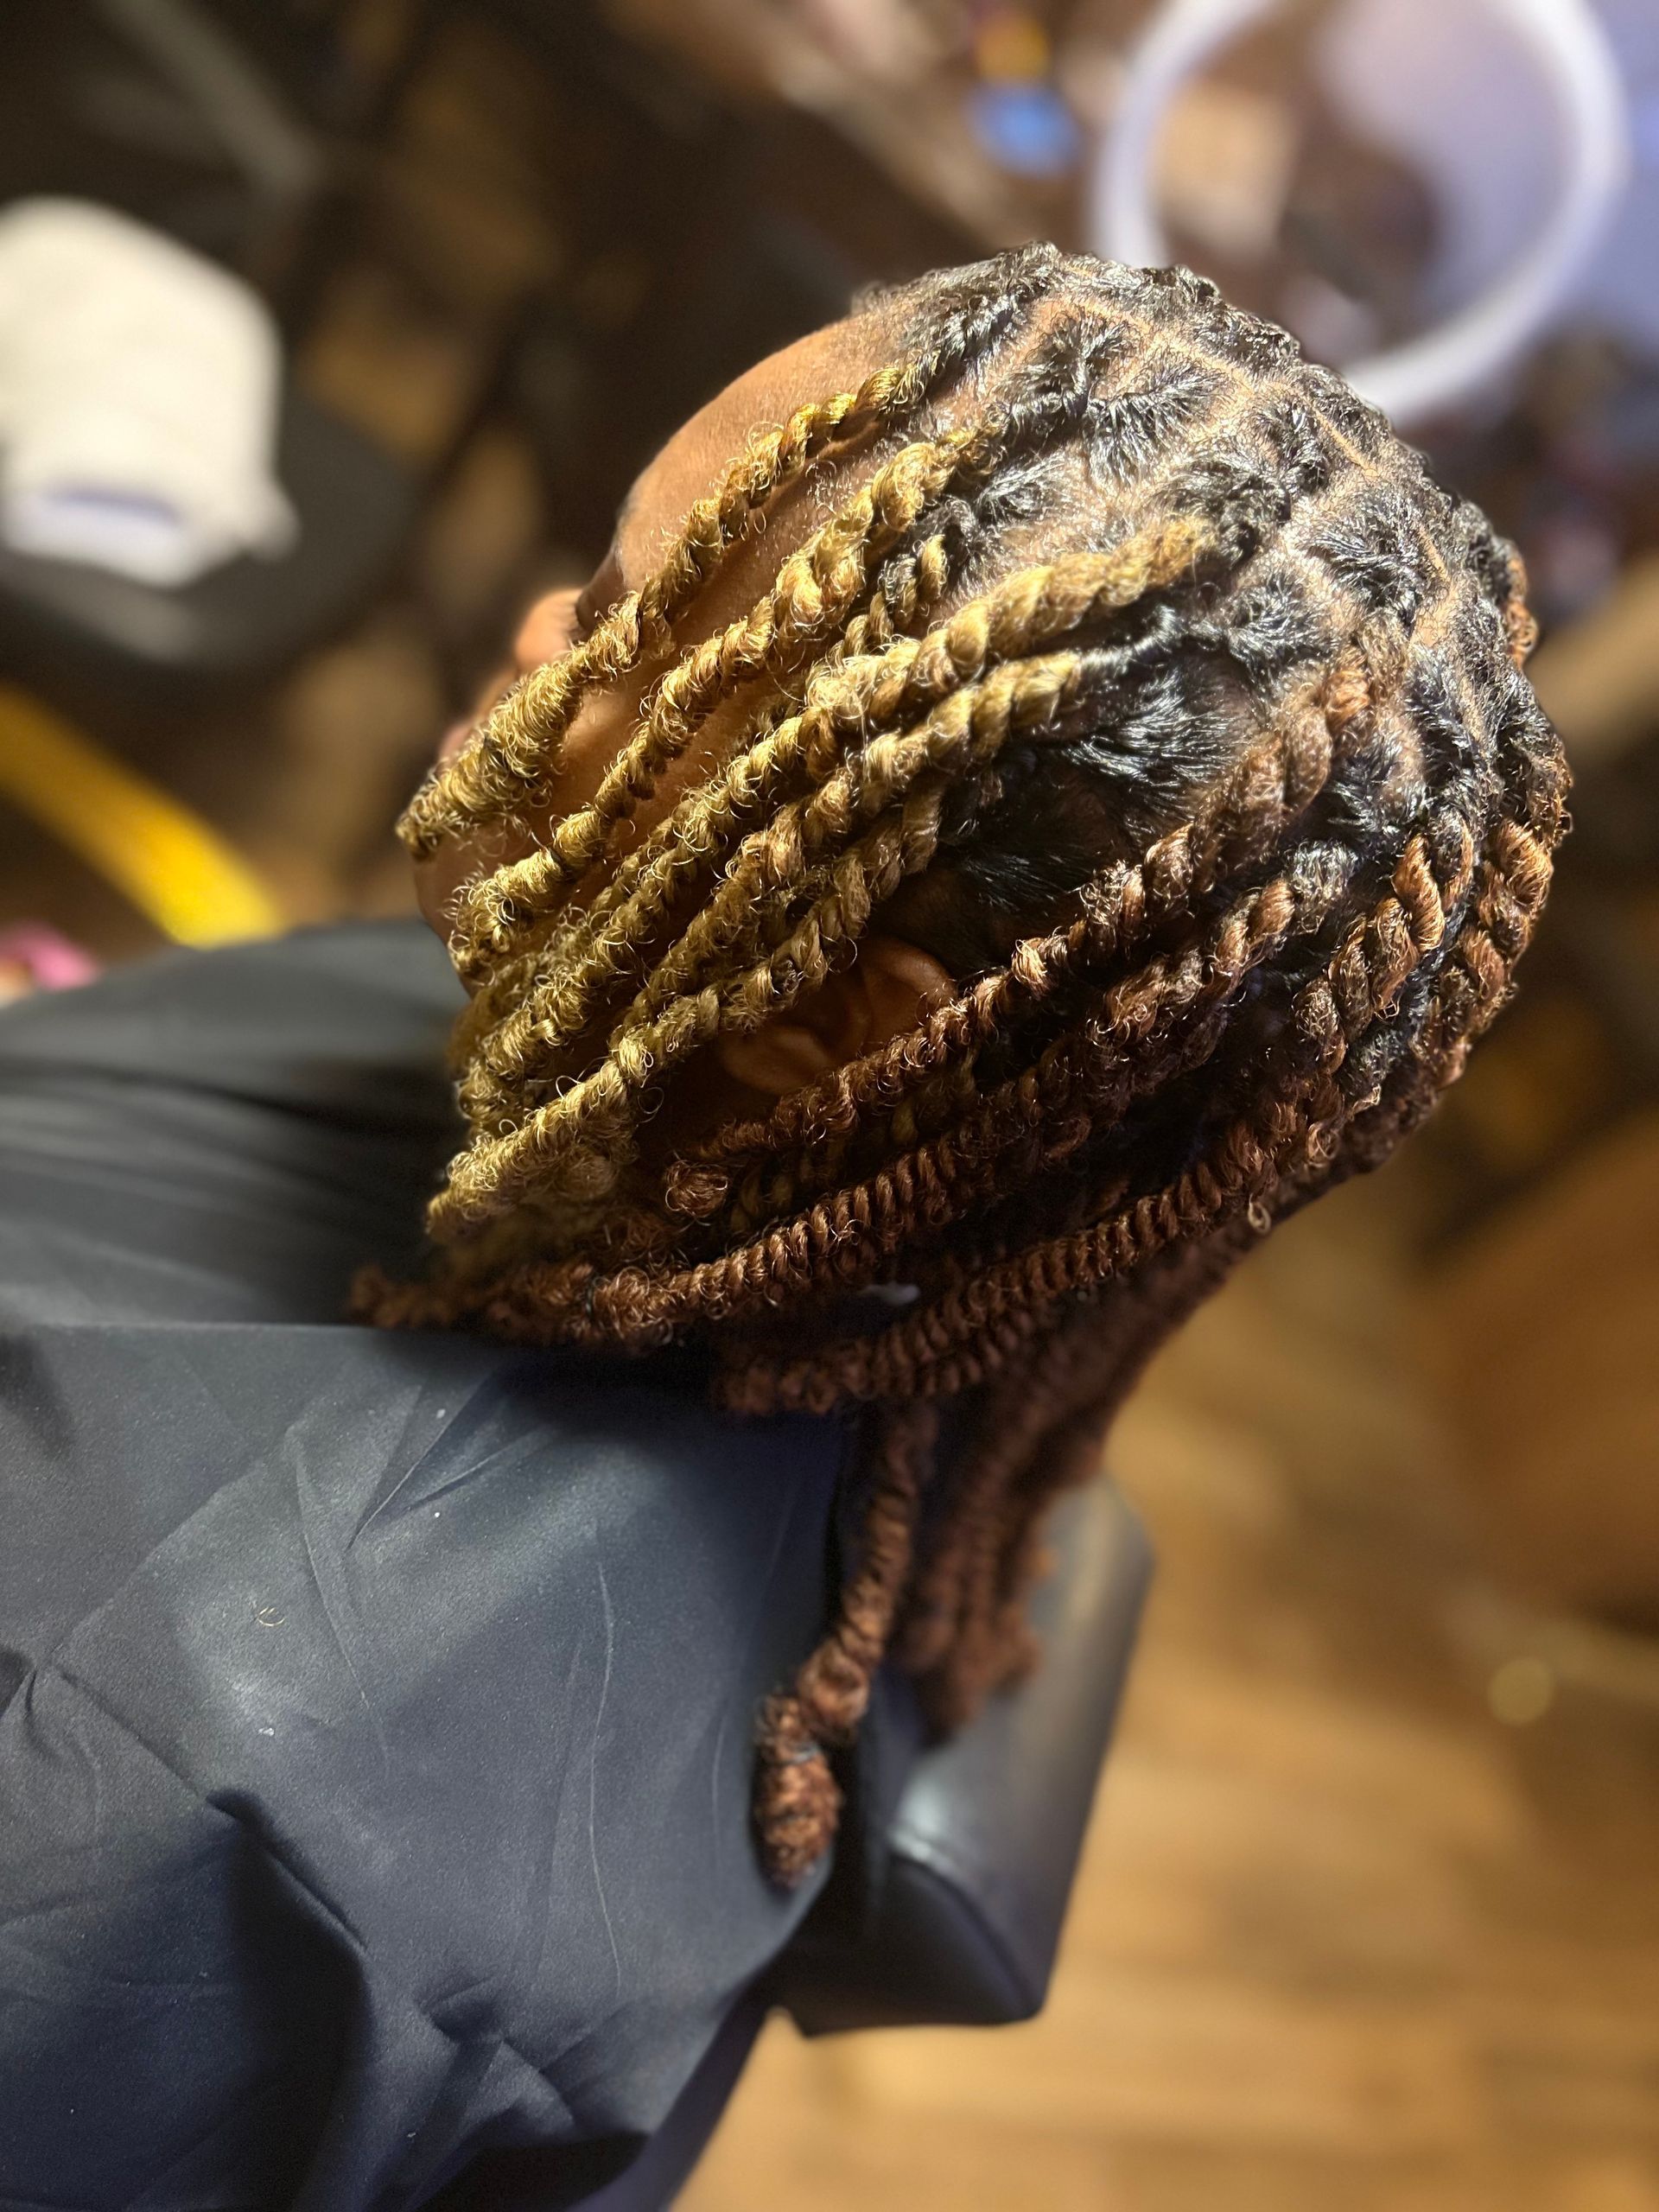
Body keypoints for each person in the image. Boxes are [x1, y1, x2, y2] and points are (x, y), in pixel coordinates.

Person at [0, 247, 1565, 2209]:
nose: (531, 624)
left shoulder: (195, 1788)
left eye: (621, 617)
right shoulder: (670, 1072)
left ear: (837, 1012)